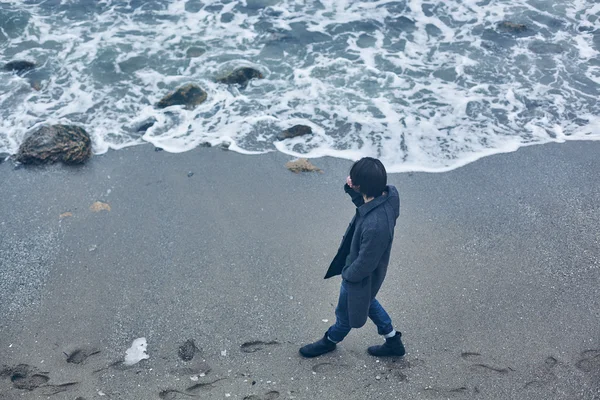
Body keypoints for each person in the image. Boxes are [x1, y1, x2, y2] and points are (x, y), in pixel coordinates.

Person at [299, 157, 404, 358]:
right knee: (368, 300)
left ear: (362, 186)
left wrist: (348, 274)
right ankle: (392, 340)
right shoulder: (387, 198)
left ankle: (329, 341)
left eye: (354, 180)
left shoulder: (375, 226)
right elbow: (366, 206)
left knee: (345, 315)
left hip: (358, 275)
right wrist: (353, 189)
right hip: (365, 274)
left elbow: (365, 263)